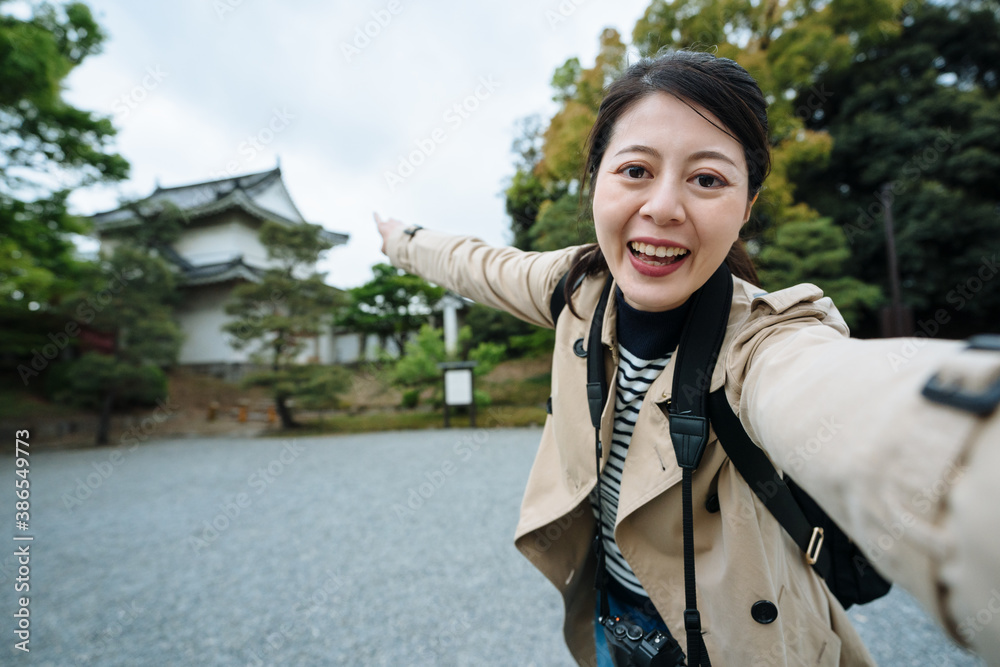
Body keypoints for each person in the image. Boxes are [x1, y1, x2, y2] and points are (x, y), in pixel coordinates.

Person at [374, 50, 1000, 667]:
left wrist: (971, 445)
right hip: (611, 617)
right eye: (636, 170)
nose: (664, 207)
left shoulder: (763, 340)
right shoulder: (578, 288)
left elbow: (837, 392)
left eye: (707, 179)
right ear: (594, 179)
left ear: (748, 204)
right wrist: (401, 240)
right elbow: (478, 265)